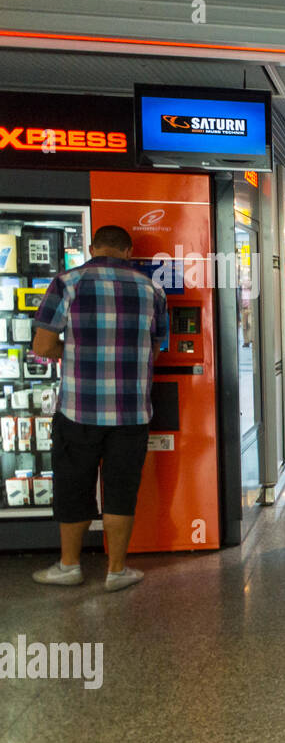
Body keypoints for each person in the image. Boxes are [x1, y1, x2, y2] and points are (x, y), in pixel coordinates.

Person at [30, 225, 168, 591]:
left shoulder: (67, 282)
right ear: (129, 251)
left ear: (93, 248)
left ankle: (69, 566)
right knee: (121, 490)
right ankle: (117, 571)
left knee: (74, 487)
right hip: (132, 413)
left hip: (79, 411)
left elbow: (42, 346)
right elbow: (155, 349)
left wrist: (78, 353)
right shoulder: (152, 289)